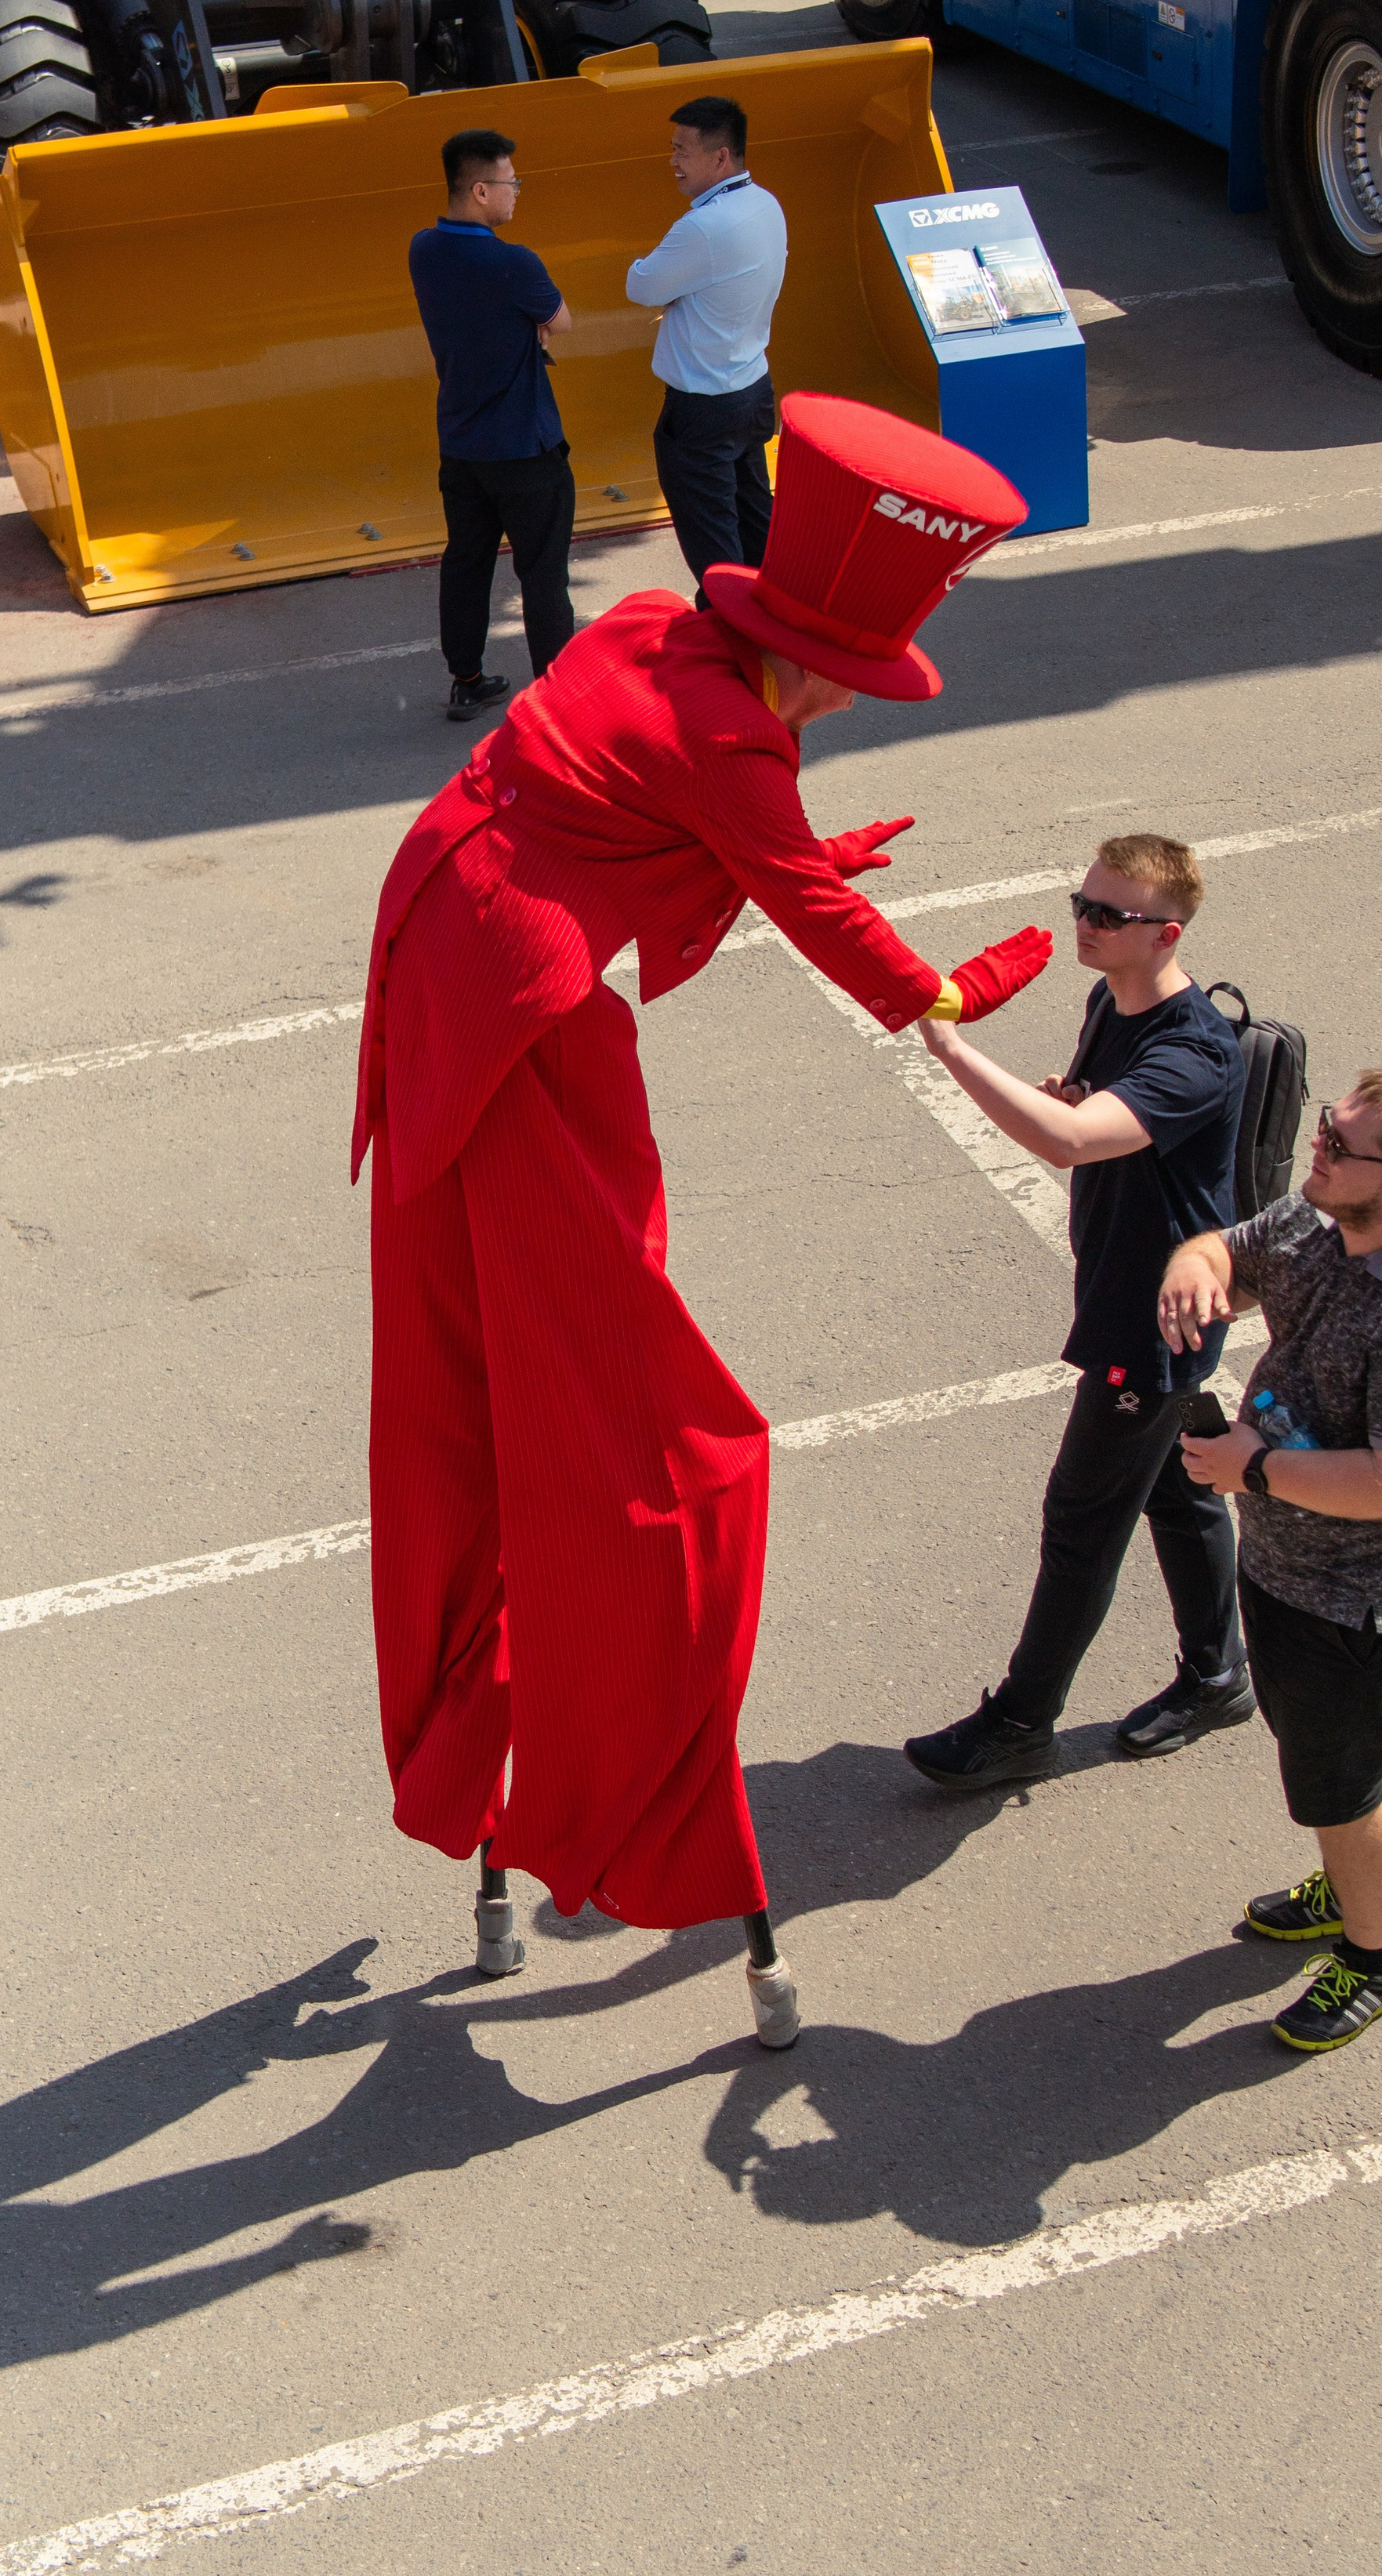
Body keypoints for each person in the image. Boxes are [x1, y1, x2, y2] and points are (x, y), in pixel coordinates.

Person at [351, 393, 1052, 2031]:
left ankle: (491, 1764)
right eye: (851, 685)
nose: (840, 710)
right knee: (651, 1443)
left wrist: (779, 843)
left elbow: (645, 806)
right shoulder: (736, 737)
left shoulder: (661, 632)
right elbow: (789, 883)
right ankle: (631, 1798)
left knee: (484, 1378)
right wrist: (947, 982)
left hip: (446, 953)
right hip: (516, 1020)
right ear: (808, 666)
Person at [903, 835, 1250, 1792]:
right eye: (1081, 904)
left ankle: (1021, 1721)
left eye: (1109, 915)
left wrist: (951, 1047)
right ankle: (1218, 1676)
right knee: (1178, 1488)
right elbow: (1088, 1117)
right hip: (1123, 1288)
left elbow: (1065, 1142)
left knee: (1083, 1517)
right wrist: (1079, 1096)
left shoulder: (1194, 1052)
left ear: (1165, 934)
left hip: (1156, 1319)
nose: (1085, 927)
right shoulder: (1112, 998)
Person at [1159, 1073, 1382, 2057]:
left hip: (1360, 1602)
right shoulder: (1321, 1224)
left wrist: (1252, 1470)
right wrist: (1195, 1262)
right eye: (1324, 1132)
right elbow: (1232, 1249)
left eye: (1341, 1146)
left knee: (1339, 1784)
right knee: (1329, 1765)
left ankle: (1372, 1955)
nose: (1319, 1152)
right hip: (1289, 1569)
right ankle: (1351, 1880)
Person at [409, 129, 578, 728]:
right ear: (481, 190)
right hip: (525, 448)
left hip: (461, 444)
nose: (517, 194)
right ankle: (558, 697)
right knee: (542, 573)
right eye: (511, 183)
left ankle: (467, 680)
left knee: (467, 562)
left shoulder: (422, 251)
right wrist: (531, 326)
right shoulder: (514, 262)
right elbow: (562, 320)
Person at [626, 96, 788, 607]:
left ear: (720, 158)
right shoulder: (767, 204)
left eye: (682, 151)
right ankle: (777, 637)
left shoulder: (702, 227)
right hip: (752, 391)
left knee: (715, 550)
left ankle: (732, 648)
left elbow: (642, 285)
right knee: (754, 522)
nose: (672, 162)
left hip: (702, 409)